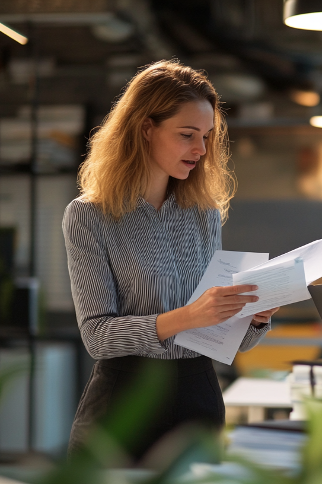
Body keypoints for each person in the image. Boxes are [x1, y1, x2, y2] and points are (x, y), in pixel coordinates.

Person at [63, 60, 277, 459]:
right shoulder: (89, 215)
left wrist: (253, 318)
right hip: (125, 404)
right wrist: (189, 316)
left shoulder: (203, 213)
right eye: (187, 135)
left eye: (207, 137)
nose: (201, 149)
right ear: (146, 128)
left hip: (198, 398)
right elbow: (96, 336)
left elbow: (219, 337)